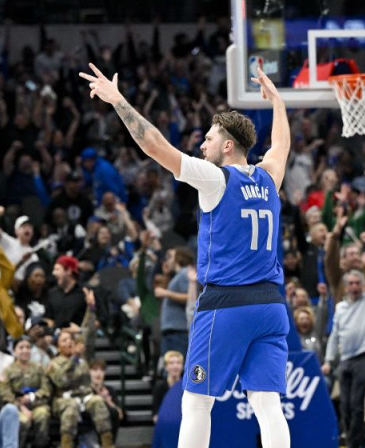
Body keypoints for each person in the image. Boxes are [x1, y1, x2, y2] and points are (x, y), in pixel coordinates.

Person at [81, 63, 291, 448]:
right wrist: (278, 103)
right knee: (267, 403)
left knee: (196, 403)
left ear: (228, 145)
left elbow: (153, 145)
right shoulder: (268, 178)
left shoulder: (216, 179)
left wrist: (118, 101)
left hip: (226, 304)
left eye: (209, 139)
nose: (202, 145)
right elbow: (281, 146)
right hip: (272, 306)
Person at [321, 231, 365, 448]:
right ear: (346, 287)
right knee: (345, 406)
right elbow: (334, 335)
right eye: (351, 284)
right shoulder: (341, 307)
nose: (355, 287)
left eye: (358, 283)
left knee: (357, 404)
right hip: (345, 360)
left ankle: (356, 444)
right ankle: (355, 441)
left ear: (363, 286)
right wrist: (328, 360)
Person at [0, 336, 50, 448]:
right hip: (16, 408)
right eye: (21, 348)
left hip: (36, 404)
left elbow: (46, 389)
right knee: (23, 421)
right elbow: (5, 393)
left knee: (43, 415)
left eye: (28, 347)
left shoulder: (39, 368)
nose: (25, 350)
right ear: (14, 351)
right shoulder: (8, 371)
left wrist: (31, 397)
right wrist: (21, 407)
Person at [152, 350, 184, 424]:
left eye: (178, 363)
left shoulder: (186, 387)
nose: (175, 366)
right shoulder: (159, 386)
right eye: (171, 363)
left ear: (182, 366)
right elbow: (155, 413)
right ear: (166, 367)